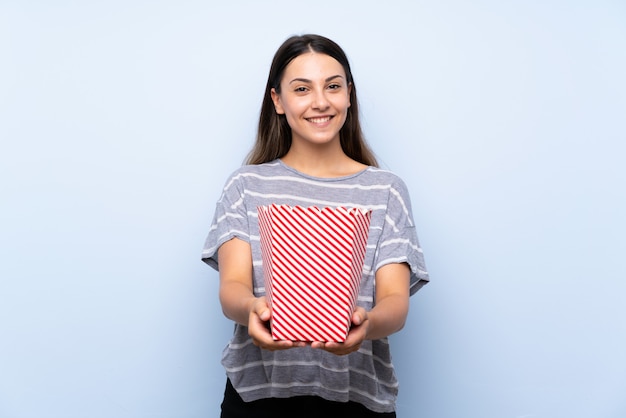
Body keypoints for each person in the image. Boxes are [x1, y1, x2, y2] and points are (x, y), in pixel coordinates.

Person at [202, 34, 429, 418]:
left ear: (349, 95)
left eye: (333, 86)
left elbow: (396, 302)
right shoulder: (246, 186)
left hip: (357, 400)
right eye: (302, 89)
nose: (321, 101)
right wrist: (252, 311)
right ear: (277, 100)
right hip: (257, 400)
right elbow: (233, 289)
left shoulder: (386, 190)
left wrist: (367, 323)